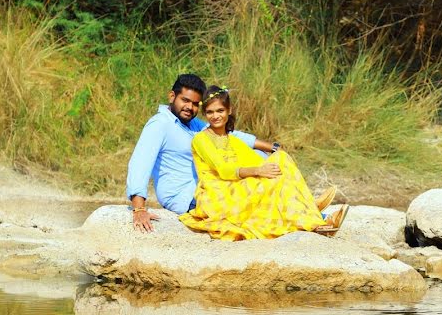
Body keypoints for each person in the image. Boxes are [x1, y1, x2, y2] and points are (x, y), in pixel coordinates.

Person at [125, 74, 334, 233]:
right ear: (172, 96)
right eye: (185, 100)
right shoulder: (159, 125)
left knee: (265, 161)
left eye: (196, 104)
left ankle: (304, 205)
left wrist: (269, 146)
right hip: (186, 197)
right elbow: (139, 164)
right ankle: (310, 213)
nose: (190, 107)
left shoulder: (190, 124)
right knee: (254, 180)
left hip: (210, 187)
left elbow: (228, 134)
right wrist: (138, 209)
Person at [179, 86, 349, 240]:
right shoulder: (201, 139)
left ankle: (305, 206)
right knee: (270, 174)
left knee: (280, 158)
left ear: (229, 110)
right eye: (210, 112)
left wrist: (273, 168)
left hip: (235, 187)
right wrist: (258, 171)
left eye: (220, 110)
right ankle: (315, 218)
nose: (215, 116)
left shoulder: (233, 140)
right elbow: (223, 170)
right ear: (205, 114)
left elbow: (261, 162)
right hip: (217, 195)